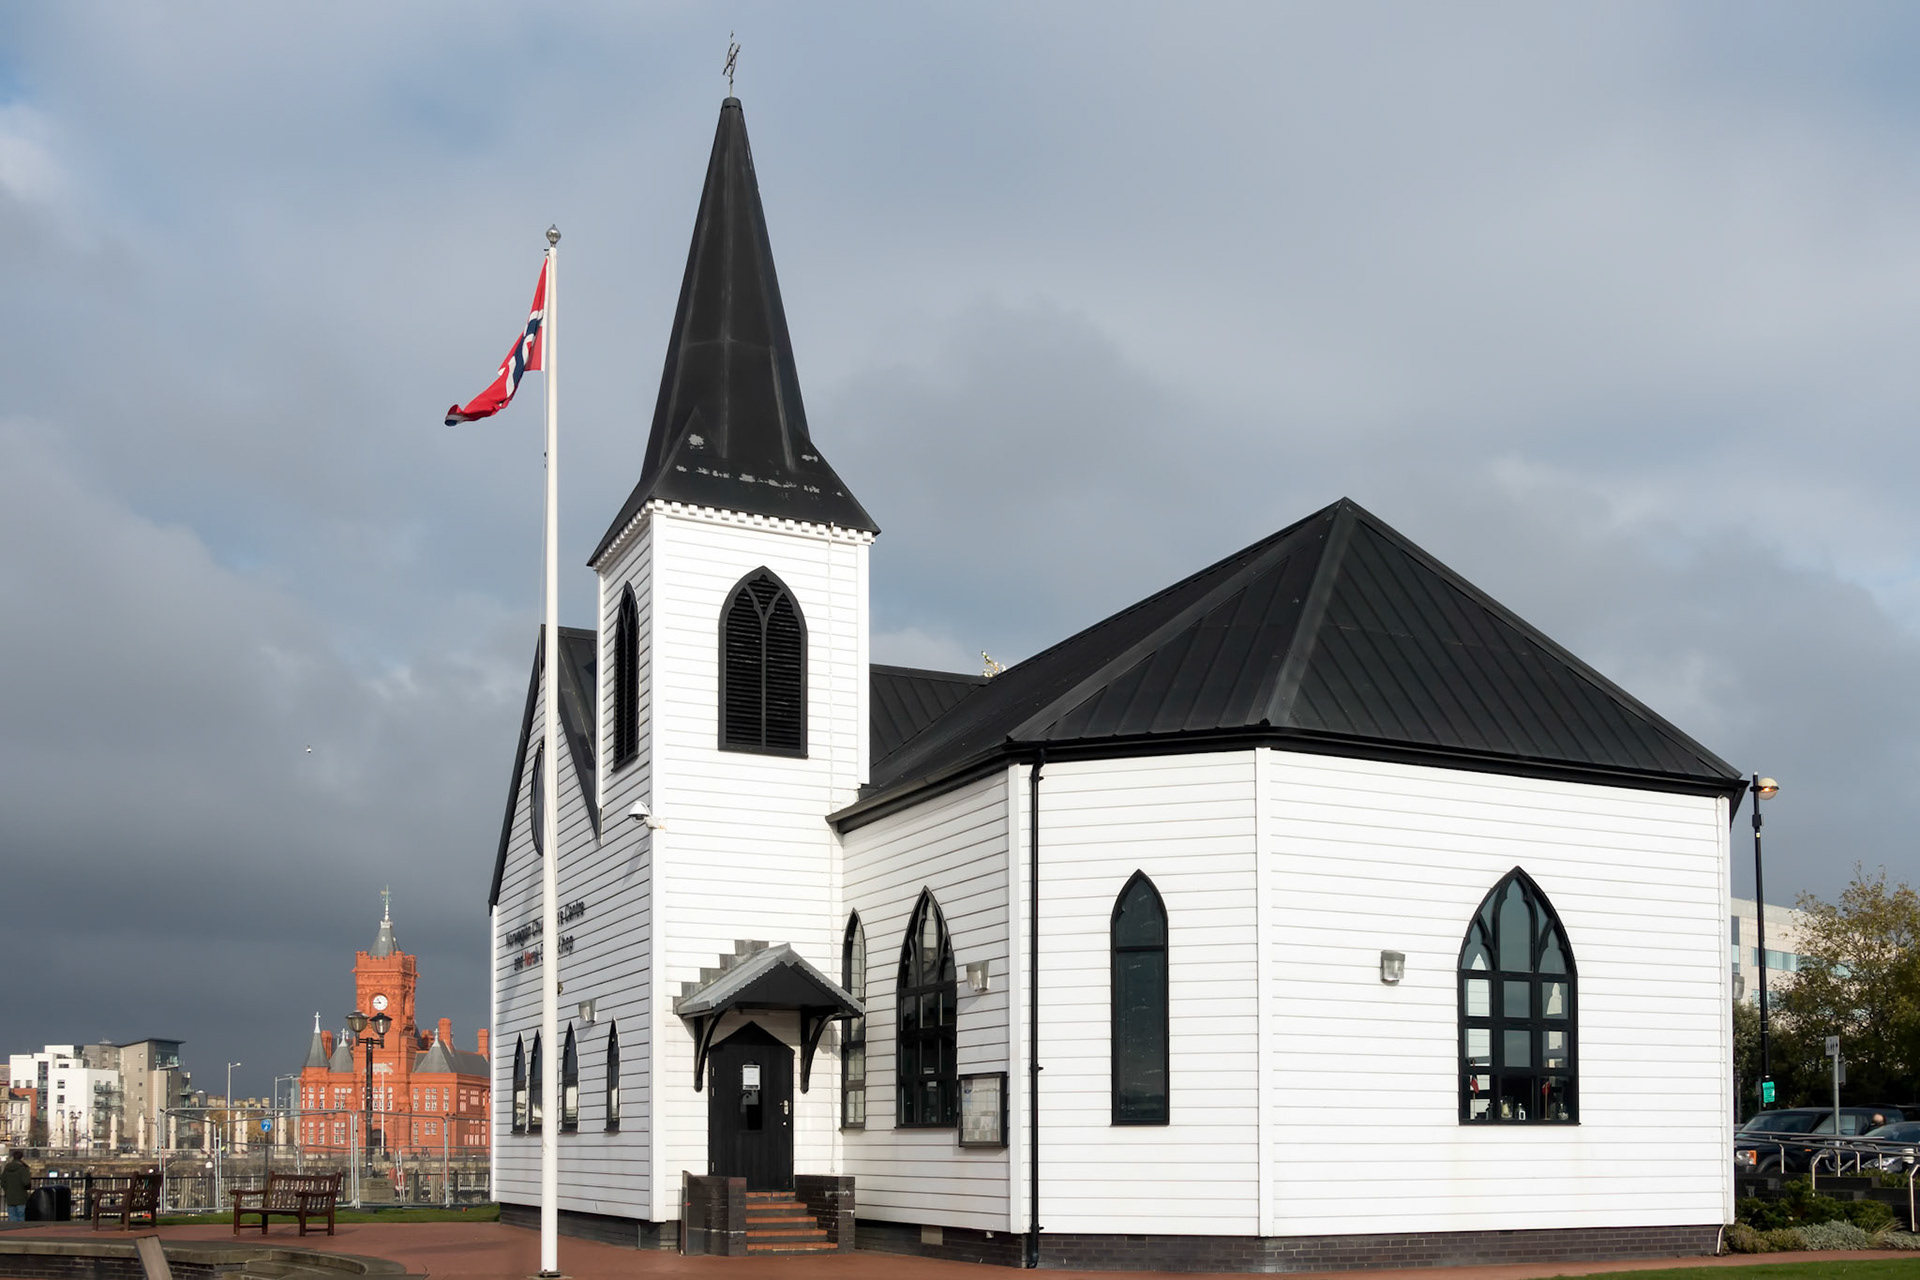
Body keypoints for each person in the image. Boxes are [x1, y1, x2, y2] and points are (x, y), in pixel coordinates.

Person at [1, 1150, 31, 1222]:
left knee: (12, 1216)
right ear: (22, 1157)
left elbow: (3, 1182)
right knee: (21, 1216)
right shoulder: (23, 1168)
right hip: (21, 1196)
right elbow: (26, 1182)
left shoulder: (7, 1168)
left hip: (10, 1196)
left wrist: (7, 1190)